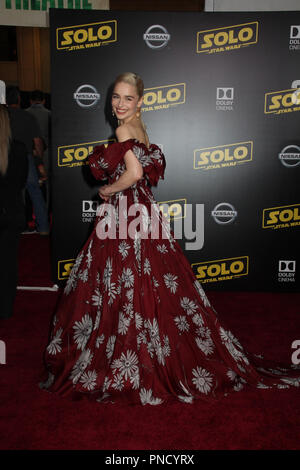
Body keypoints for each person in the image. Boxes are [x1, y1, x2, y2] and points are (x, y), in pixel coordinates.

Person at [40, 72, 300, 404]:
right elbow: (140, 173)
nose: (120, 104)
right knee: (147, 279)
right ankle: (151, 347)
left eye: (127, 98)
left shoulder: (122, 129)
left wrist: (106, 187)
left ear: (140, 101)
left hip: (127, 212)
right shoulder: (141, 129)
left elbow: (133, 174)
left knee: (120, 279)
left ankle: (130, 354)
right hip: (143, 211)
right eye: (115, 97)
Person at [6, 86, 49, 236]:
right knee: (35, 192)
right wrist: (39, 161)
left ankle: (18, 226)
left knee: (13, 193)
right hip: (26, 158)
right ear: (19, 99)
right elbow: (37, 141)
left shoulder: (3, 116)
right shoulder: (27, 117)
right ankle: (43, 228)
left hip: (6, 158)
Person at [0, 104, 28, 319]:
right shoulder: (18, 148)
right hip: (12, 214)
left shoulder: (17, 149)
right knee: (8, 263)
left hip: (8, 214)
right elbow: (20, 183)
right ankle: (6, 308)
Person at [26, 90, 51, 209]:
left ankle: (29, 216)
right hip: (45, 155)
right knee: (46, 185)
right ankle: (45, 214)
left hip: (27, 154)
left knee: (28, 185)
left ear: (30, 101)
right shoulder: (49, 114)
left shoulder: (25, 113)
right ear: (44, 101)